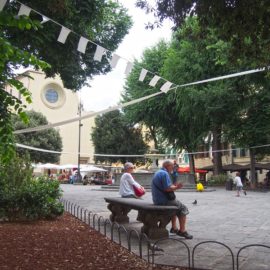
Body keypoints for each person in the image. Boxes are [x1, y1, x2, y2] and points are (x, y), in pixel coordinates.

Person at [151, 160, 193, 239]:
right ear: (168, 166)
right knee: (183, 208)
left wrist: (174, 186)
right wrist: (177, 187)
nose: (173, 168)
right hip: (163, 200)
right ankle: (182, 231)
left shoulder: (158, 172)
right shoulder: (164, 173)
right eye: (172, 166)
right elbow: (167, 189)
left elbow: (166, 186)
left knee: (175, 207)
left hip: (157, 199)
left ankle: (174, 228)